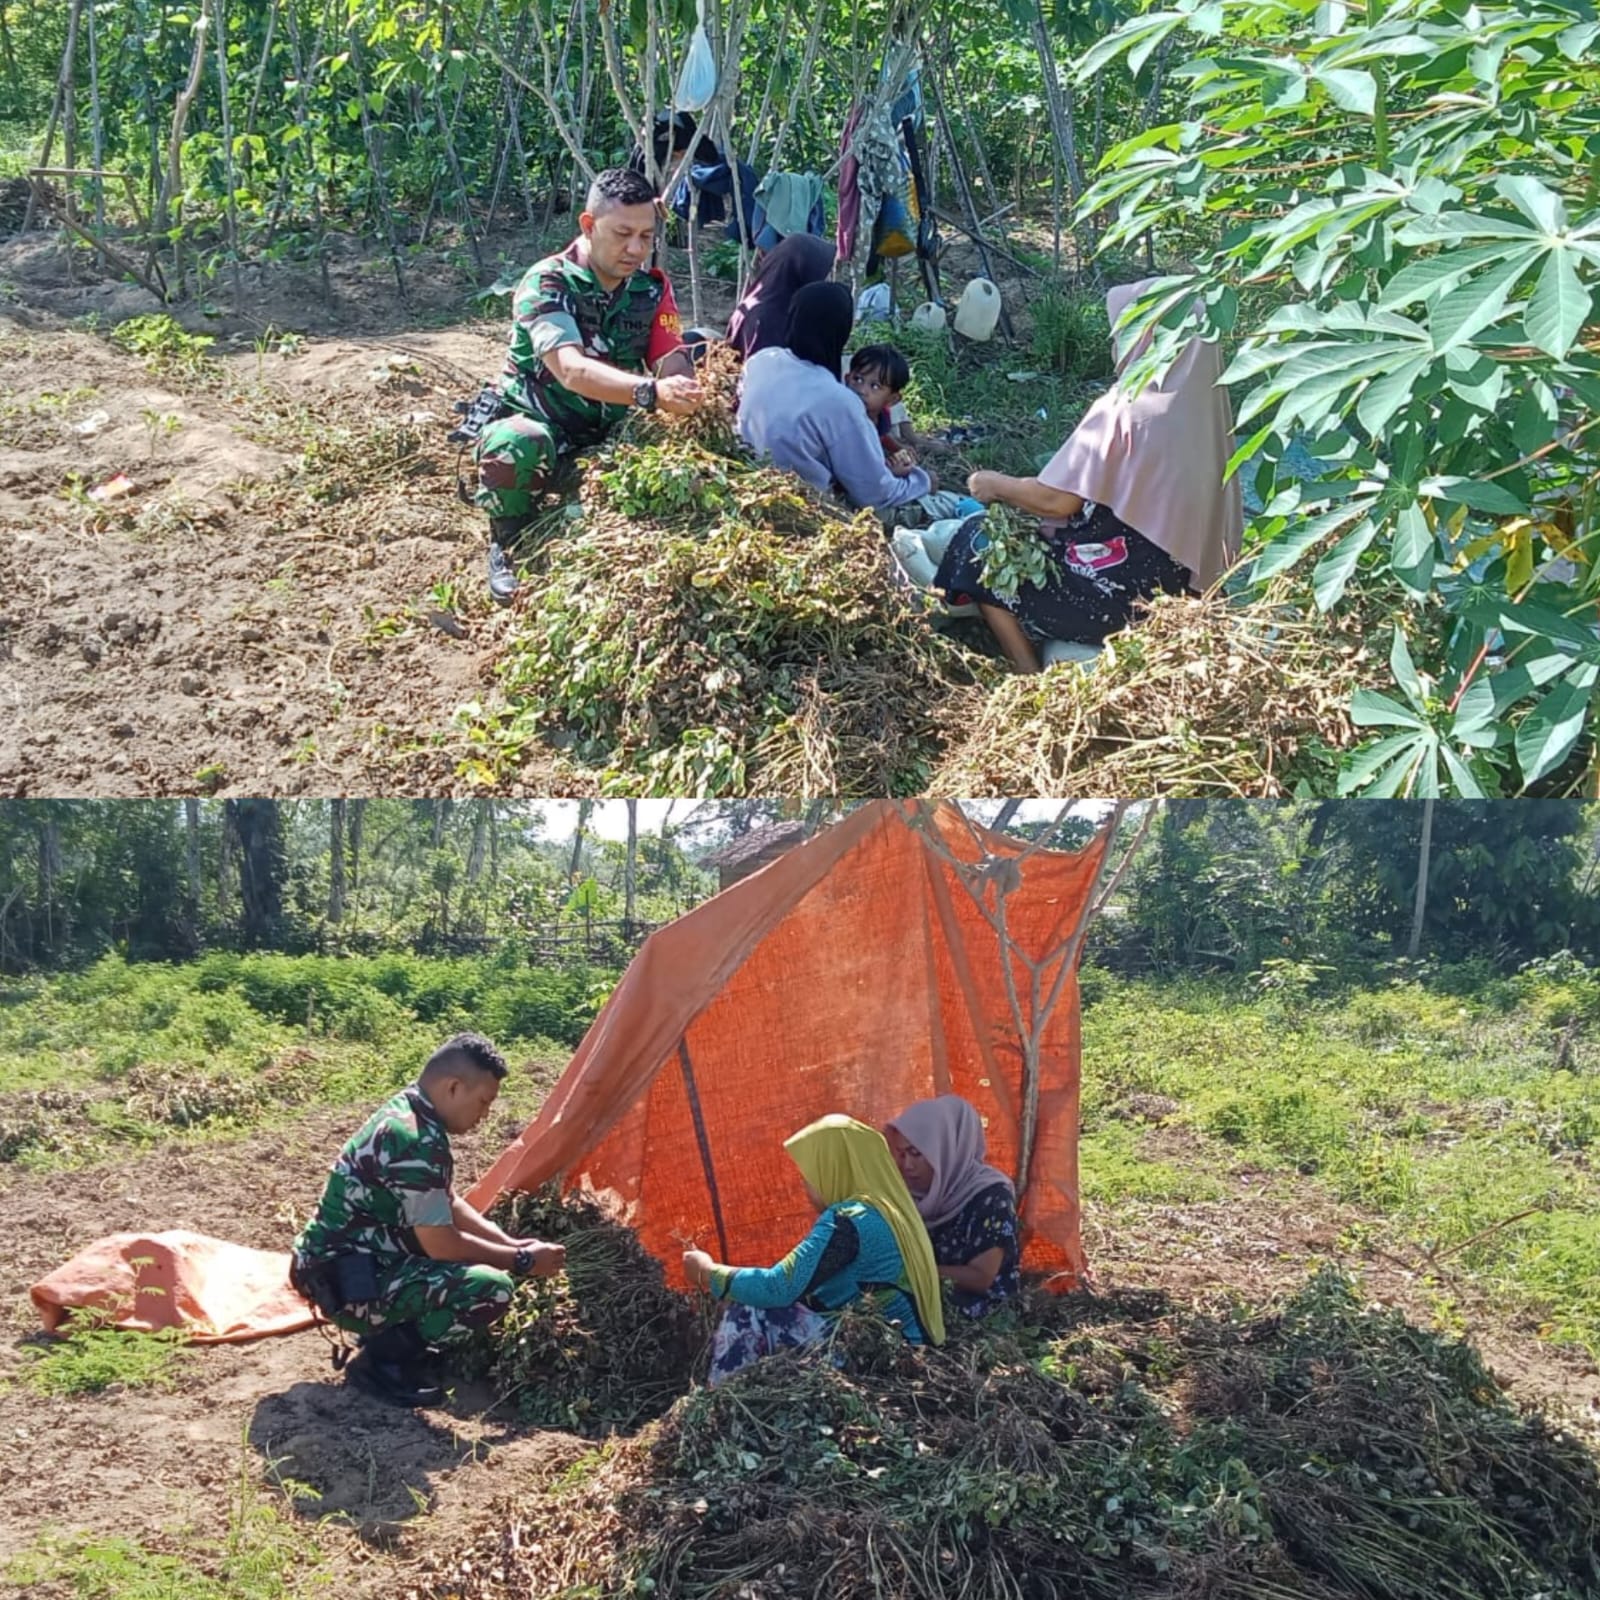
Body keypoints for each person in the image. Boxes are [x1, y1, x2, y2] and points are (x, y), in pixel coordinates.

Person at [936, 277, 1244, 672]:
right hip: (1179, 594)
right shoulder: (1214, 415)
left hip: (1116, 597)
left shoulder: (1128, 407)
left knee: (977, 546)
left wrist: (991, 483)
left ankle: (1027, 676)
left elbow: (1056, 499)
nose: (1115, 344)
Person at [290, 1033, 565, 1406]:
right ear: (453, 1087)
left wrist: (510, 1243)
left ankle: (388, 1335)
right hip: (343, 1281)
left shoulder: (409, 1113)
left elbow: (447, 1202)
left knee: (473, 1263)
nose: (484, 1116)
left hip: (345, 1263)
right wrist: (521, 1262)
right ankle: (381, 1363)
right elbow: (442, 1244)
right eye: (483, 1103)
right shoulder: (416, 1140)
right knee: (491, 1287)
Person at [475, 167, 706, 603]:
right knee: (516, 443)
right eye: (622, 234)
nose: (635, 249)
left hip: (611, 435)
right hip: (547, 430)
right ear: (588, 225)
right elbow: (571, 370)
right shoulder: (547, 283)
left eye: (646, 236)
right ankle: (507, 540)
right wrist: (652, 394)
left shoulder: (649, 289)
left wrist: (684, 385)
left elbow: (670, 350)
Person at [681, 1114, 945, 1385]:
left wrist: (708, 1273)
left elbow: (778, 1287)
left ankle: (723, 1401)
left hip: (874, 1360)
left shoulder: (850, 1220)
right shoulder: (890, 1212)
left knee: (749, 1309)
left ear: (832, 1169)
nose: (805, 1187)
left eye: (809, 1175)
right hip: (904, 1347)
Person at [737, 282, 935, 514]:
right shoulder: (839, 400)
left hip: (745, 478)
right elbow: (874, 495)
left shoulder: (761, 360)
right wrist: (924, 481)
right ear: (841, 330)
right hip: (801, 506)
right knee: (940, 505)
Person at [886, 1095, 1020, 1321]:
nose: (907, 1165)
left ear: (948, 1149)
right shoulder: (908, 1196)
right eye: (901, 1154)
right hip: (927, 1295)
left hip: (982, 1312)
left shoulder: (992, 1196)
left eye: (917, 1153)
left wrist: (912, 1275)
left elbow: (981, 1277)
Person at [725, 233, 835, 361]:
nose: (825, 281)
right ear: (801, 271)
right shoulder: (769, 320)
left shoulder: (771, 303)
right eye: (823, 274)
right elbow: (767, 375)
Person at [846, 343, 916, 471]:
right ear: (847, 379)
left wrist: (897, 447)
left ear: (892, 399)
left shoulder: (881, 416)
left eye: (875, 386)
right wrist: (891, 472)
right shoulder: (846, 421)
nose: (862, 390)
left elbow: (881, 436)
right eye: (858, 379)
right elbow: (857, 471)